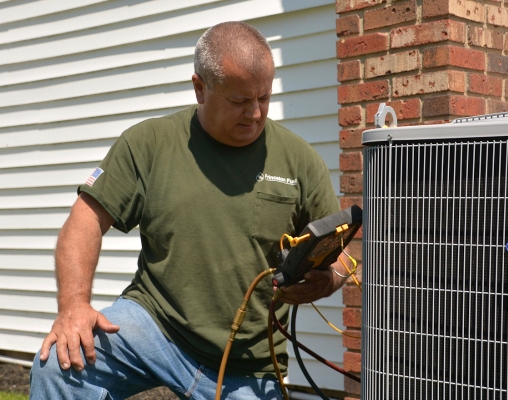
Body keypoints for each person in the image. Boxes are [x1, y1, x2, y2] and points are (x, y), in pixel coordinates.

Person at [29, 21, 348, 400]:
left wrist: (331, 279)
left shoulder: (299, 160)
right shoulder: (150, 143)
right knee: (59, 365)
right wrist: (73, 307)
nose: (255, 113)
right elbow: (84, 221)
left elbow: (345, 250)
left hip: (248, 361)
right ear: (200, 88)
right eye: (239, 101)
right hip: (155, 325)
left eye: (263, 97)